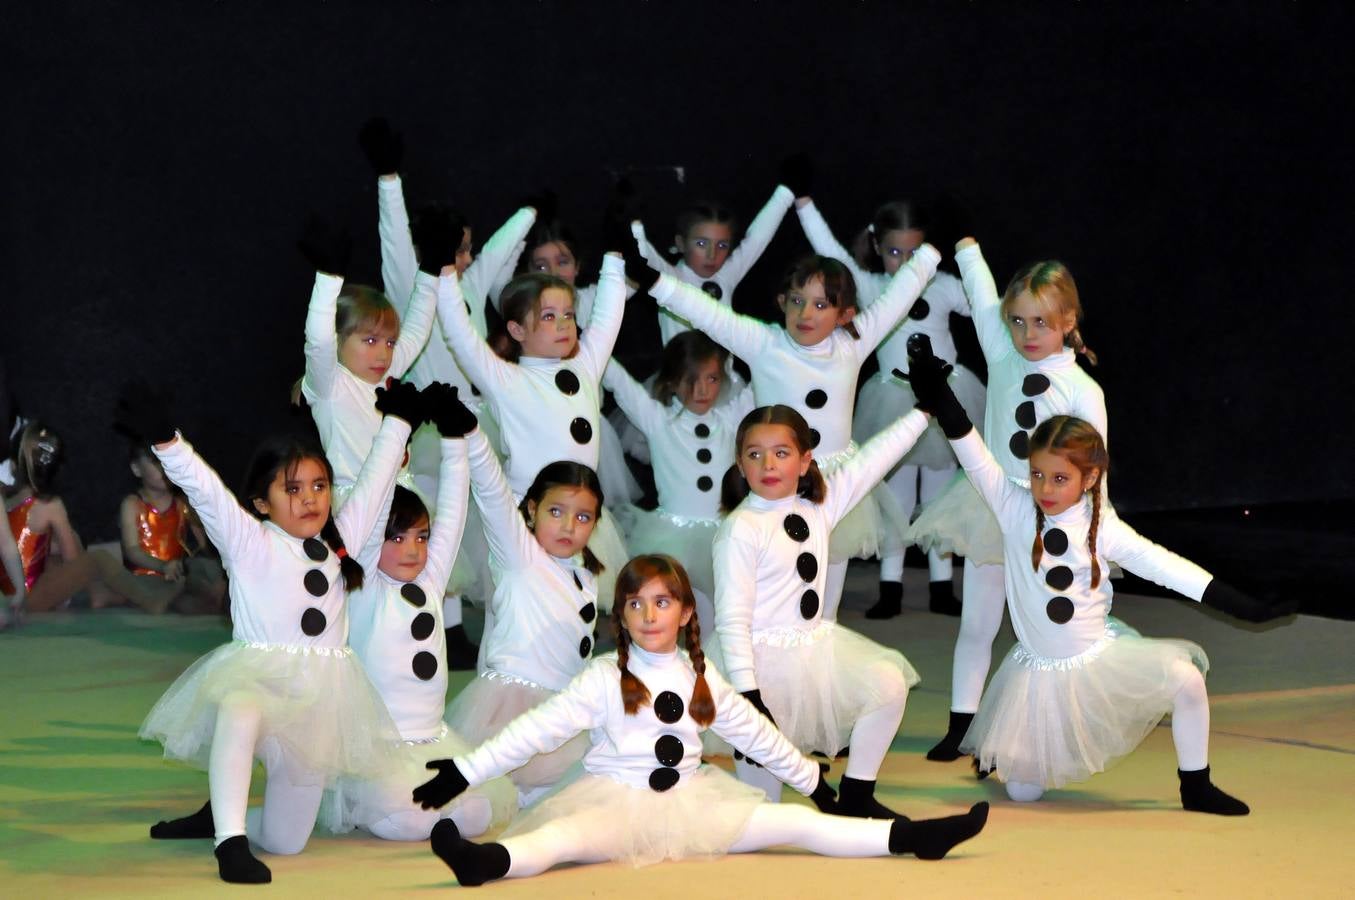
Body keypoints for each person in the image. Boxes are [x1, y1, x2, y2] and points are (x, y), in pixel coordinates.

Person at [412, 554, 989, 886]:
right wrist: (465, 770)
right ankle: (484, 862)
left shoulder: (703, 675)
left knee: (797, 827)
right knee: (557, 839)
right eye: (635, 604)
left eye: (662, 602)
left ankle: (914, 836)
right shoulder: (601, 679)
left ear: (687, 612)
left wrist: (815, 785)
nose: (647, 615)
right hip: (614, 799)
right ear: (623, 617)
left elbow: (756, 734)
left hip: (697, 802)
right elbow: (534, 730)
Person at [905, 335, 1293, 812]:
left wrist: (1244, 605)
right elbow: (972, 449)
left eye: (1060, 478)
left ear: (1090, 479)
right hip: (1038, 676)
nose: (1045, 488)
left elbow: (1166, 568)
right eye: (1038, 475)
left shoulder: (1103, 527)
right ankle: (1003, 754)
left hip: (1096, 658)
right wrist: (939, 393)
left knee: (1186, 679)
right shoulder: (1011, 507)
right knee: (1023, 791)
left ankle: (1196, 784)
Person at [131, 381, 420, 884]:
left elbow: (375, 483)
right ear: (262, 503)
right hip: (261, 682)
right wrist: (167, 442)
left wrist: (398, 422)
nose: (310, 499)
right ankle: (230, 840)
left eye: (319, 486)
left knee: (287, 841)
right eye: (292, 489)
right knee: (240, 708)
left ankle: (223, 815)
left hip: (317, 704)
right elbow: (206, 490)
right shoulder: (249, 542)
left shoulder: (341, 542)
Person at [631, 244, 938, 623]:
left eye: (821, 305)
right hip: (774, 486)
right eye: (797, 300)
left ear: (846, 315)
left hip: (835, 485)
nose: (805, 314)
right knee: (767, 595)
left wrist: (929, 253)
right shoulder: (763, 343)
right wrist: (656, 281)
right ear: (782, 301)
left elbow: (899, 296)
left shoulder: (852, 344)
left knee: (824, 607)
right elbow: (707, 313)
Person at [909, 238, 1108, 763]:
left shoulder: (1083, 391)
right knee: (977, 622)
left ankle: (1059, 722)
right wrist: (968, 247)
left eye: (1040, 323)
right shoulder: (1001, 354)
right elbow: (979, 295)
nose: (1026, 334)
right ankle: (962, 725)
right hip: (994, 510)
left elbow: (1094, 468)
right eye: (1017, 322)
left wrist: (1092, 536)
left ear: (1067, 320)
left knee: (1046, 628)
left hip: (1052, 521)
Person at [713, 404, 931, 818]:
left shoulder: (818, 507)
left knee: (887, 683)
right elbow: (731, 620)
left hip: (815, 651)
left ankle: (857, 793)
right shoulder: (740, 529)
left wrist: (923, 412)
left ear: (805, 460)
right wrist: (748, 694)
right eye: (754, 454)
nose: (768, 464)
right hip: (760, 669)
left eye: (781, 452)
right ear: (740, 465)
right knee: (763, 809)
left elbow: (871, 461)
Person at [331, 384, 515, 841]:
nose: (413, 550)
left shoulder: (430, 584)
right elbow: (369, 516)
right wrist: (397, 429)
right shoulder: (365, 587)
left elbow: (452, 515)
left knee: (475, 815)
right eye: (398, 539)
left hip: (433, 739)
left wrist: (455, 440)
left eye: (420, 536)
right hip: (382, 749)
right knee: (408, 822)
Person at [795, 192, 984, 618]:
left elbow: (986, 308)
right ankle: (891, 585)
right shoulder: (871, 286)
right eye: (895, 251)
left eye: (914, 252)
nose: (903, 261)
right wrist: (806, 203)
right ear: (877, 247)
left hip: (942, 393)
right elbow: (829, 251)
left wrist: (968, 253)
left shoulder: (943, 286)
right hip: (892, 399)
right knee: (894, 496)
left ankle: (941, 585)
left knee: (939, 495)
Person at [434, 252, 630, 604]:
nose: (563, 325)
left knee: (575, 603)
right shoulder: (504, 378)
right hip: (523, 517)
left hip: (576, 510)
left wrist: (615, 262)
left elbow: (607, 321)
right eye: (549, 317)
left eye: (569, 316)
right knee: (513, 606)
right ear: (517, 329)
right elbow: (460, 335)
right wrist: (446, 274)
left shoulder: (585, 367)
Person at [443, 423, 605, 807]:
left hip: (562, 707)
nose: (569, 526)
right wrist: (471, 434)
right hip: (513, 706)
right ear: (531, 510)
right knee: (510, 798)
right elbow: (491, 491)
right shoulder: (520, 558)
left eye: (583, 517)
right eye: (556, 511)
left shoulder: (586, 575)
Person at [601, 331, 754, 642]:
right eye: (689, 379)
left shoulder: (730, 417)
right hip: (670, 538)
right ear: (671, 381)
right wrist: (591, 340)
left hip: (720, 533)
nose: (701, 389)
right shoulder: (657, 419)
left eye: (712, 379)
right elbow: (616, 378)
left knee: (718, 622)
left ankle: (710, 678)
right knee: (660, 617)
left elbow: (769, 371)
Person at [87, 444, 226, 614]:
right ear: (137, 469)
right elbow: (132, 551)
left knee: (204, 568)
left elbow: (204, 544)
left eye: (168, 462)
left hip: (177, 573)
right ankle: (177, 597)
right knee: (179, 599)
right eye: (156, 462)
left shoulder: (182, 502)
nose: (164, 468)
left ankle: (213, 594)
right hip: (146, 576)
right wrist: (162, 566)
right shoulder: (132, 504)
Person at [0, 421, 96, 619]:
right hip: (28, 596)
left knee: (52, 550)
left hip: (8, 592)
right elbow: (73, 562)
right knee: (100, 560)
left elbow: (17, 544)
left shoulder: (5, 499)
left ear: (13, 466)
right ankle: (106, 595)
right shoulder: (50, 505)